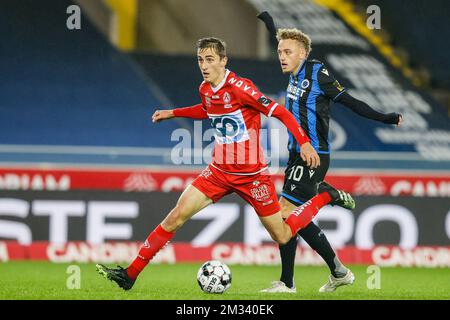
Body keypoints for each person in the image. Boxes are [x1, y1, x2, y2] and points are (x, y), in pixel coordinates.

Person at [95, 37, 355, 291]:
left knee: (283, 235)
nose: (204, 65)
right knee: (175, 217)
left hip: (252, 176)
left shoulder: (241, 88)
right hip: (218, 172)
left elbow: (281, 112)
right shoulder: (205, 89)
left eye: (209, 59)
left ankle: (324, 196)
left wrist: (304, 142)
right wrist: (173, 113)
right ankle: (130, 274)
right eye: (200, 60)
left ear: (223, 60)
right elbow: (208, 109)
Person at [257, 12, 403, 293]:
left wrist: (385, 118)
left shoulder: (317, 74)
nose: (281, 56)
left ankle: (289, 282)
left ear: (302, 53)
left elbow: (350, 101)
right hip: (295, 153)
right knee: (297, 218)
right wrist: (269, 22)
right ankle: (338, 271)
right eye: (279, 52)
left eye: (287, 52)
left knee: (286, 214)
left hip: (313, 155)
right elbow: (281, 37)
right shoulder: (294, 68)